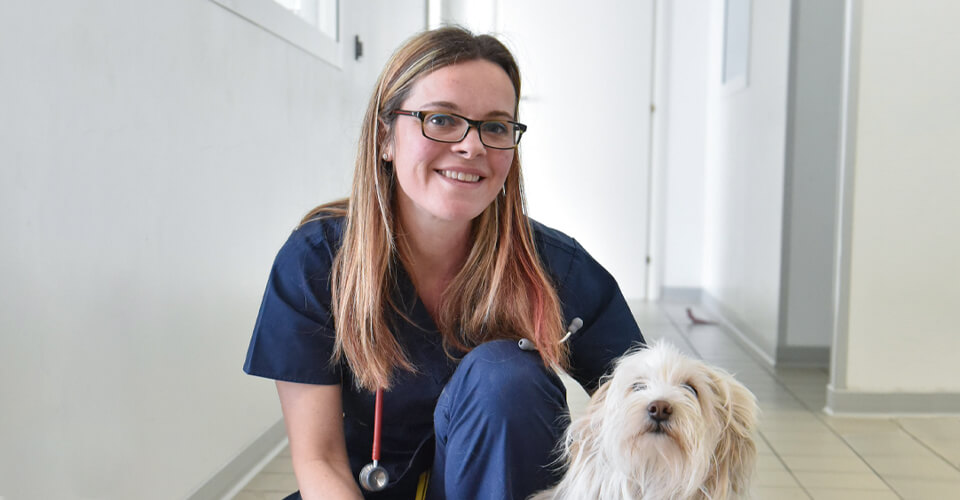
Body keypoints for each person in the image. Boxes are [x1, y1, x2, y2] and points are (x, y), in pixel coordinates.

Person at [243, 26, 644, 500]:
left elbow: (656, 404)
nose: (472, 146)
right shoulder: (318, 262)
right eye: (441, 119)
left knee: (506, 377)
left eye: (495, 126)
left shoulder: (556, 268)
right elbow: (319, 460)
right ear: (385, 136)